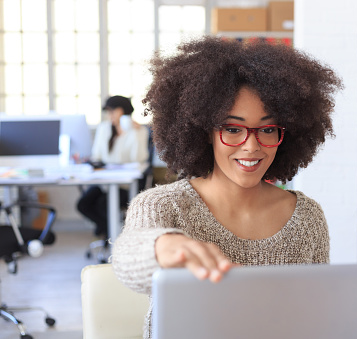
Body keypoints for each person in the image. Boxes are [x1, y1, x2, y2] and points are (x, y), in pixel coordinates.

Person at [111, 36, 343, 338]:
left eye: (268, 129)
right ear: (204, 131)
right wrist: (163, 246)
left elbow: (316, 314)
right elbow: (127, 260)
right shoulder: (161, 206)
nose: (251, 146)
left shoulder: (307, 217)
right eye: (232, 129)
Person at [77, 95, 149, 237]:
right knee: (83, 204)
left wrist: (135, 133)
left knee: (103, 204)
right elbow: (96, 155)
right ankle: (109, 232)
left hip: (125, 185)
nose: (109, 115)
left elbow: (139, 159)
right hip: (104, 182)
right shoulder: (104, 128)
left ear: (123, 112)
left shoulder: (139, 131)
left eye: (112, 111)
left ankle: (111, 235)